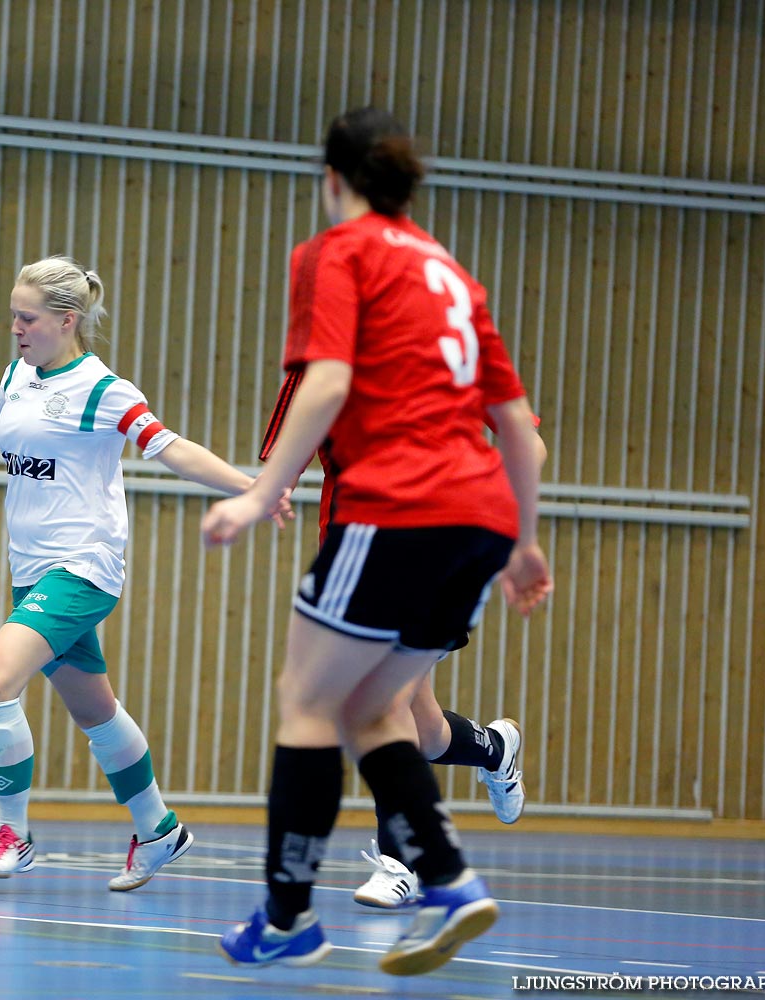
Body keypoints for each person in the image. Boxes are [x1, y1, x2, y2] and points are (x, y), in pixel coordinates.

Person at [202, 107, 550, 976]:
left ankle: (287, 915)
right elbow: (521, 434)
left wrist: (258, 496)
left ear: (333, 180)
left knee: (307, 704)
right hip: (481, 520)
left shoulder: (337, 251)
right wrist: (526, 544)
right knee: (371, 709)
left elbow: (327, 383)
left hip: (399, 507)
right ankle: (450, 879)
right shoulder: (454, 278)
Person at [0, 255, 292, 892]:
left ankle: (13, 836)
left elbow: (172, 447)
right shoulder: (19, 374)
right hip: (32, 568)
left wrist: (255, 490)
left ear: (65, 321)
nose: (15, 329)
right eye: (14, 317)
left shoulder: (103, 391)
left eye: (27, 318)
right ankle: (159, 830)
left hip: (84, 567)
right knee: (96, 712)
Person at [351, 419, 547, 909]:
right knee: (427, 732)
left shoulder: (462, 363)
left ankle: (402, 863)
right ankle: (494, 748)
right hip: (372, 550)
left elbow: (529, 443)